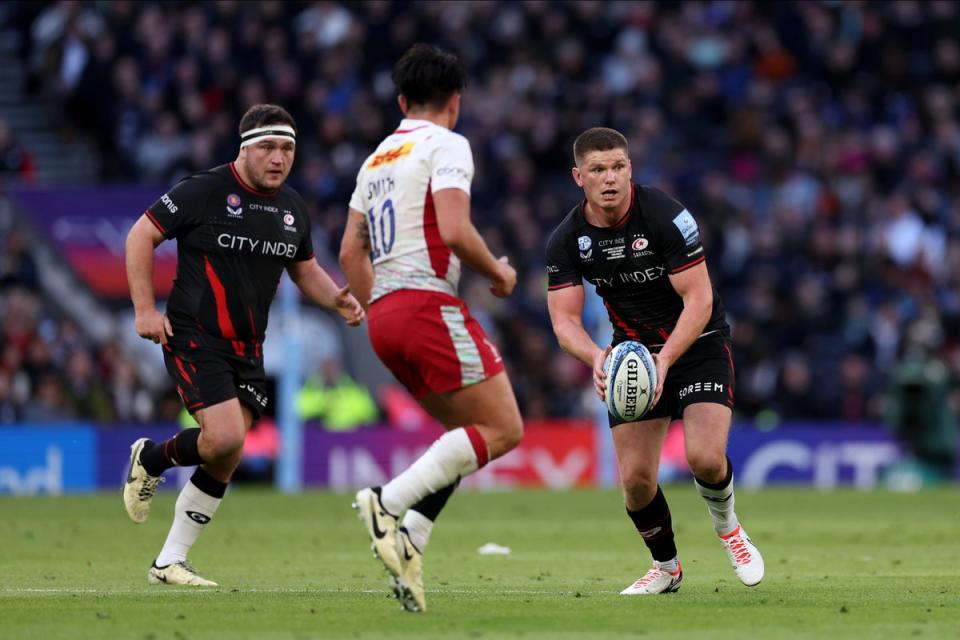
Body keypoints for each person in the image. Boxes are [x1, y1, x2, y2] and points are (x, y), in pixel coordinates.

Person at [123, 103, 364, 587]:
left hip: (249, 347)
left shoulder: (292, 209)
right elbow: (140, 235)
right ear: (246, 148)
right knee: (227, 437)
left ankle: (169, 562)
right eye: (269, 147)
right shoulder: (205, 191)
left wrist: (336, 298)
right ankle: (150, 459)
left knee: (225, 454)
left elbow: (304, 269)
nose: (279, 158)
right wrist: (145, 310)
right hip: (194, 335)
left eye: (288, 149)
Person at [339, 44, 523, 613]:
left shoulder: (374, 160)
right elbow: (455, 228)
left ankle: (412, 540)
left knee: (462, 439)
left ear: (400, 100)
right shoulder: (447, 144)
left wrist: (386, 304)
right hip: (426, 306)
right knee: (504, 429)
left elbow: (349, 253)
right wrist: (499, 272)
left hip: (385, 317)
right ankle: (385, 502)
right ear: (456, 101)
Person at [545, 127, 764, 595]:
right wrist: (597, 358)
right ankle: (667, 569)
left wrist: (666, 360)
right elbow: (563, 322)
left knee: (704, 458)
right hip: (633, 355)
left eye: (619, 167)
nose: (610, 179)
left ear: (630, 169)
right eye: (599, 170)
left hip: (697, 342)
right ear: (577, 176)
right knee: (637, 482)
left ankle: (730, 530)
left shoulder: (666, 216)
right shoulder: (566, 240)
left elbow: (699, 299)